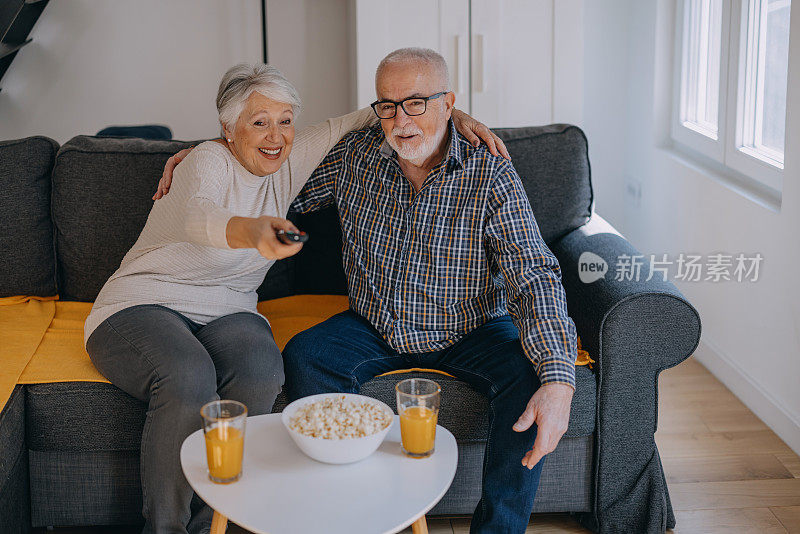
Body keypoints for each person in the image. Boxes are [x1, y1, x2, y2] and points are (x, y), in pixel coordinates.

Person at [86, 62, 502, 534]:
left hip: (229, 307)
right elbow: (198, 217)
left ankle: (211, 524)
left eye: (285, 120)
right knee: (188, 375)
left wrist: (457, 115)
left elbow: (376, 114)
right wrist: (254, 231)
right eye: (259, 121)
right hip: (143, 302)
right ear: (228, 128)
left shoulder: (292, 155)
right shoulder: (205, 161)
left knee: (263, 370)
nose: (276, 136)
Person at [281, 48, 579, 533]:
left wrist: (559, 379)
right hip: (374, 325)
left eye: (417, 103)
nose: (401, 120)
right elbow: (274, 178)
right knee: (307, 355)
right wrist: (212, 158)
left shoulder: (490, 174)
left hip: (472, 328)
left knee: (531, 375)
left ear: (449, 104)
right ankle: (352, 516)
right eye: (388, 105)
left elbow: (533, 274)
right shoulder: (354, 157)